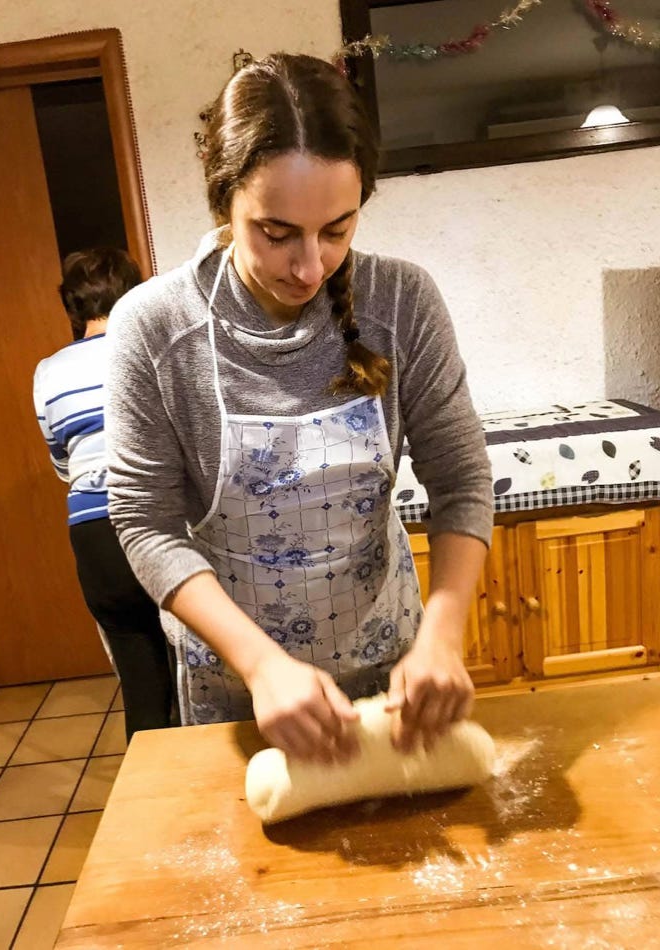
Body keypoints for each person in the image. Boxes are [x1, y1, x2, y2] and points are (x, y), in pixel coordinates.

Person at [105, 53, 493, 762]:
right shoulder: (156, 328)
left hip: (392, 677)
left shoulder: (401, 304)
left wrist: (443, 632)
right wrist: (260, 666)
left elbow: (462, 479)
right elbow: (145, 521)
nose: (311, 267)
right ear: (223, 202)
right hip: (240, 689)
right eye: (276, 234)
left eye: (338, 230)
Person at [33, 247, 175, 742]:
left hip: (94, 532)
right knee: (197, 670)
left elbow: (63, 465)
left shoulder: (48, 373)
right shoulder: (157, 349)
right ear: (136, 293)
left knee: (141, 679)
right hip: (162, 523)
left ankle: (151, 805)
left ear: (72, 307)